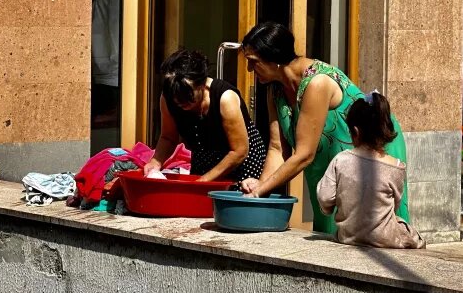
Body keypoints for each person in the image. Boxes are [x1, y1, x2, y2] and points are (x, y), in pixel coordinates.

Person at [239, 21, 411, 233]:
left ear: (274, 59)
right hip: (329, 158)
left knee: (369, 232)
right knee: (331, 227)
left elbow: (304, 155)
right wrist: (259, 191)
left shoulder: (317, 83)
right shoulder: (274, 90)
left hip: (372, 149)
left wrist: (259, 190)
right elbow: (277, 148)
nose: (249, 69)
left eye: (253, 62)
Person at [316, 92, 425, 248]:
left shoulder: (340, 160)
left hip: (347, 237)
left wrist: (330, 209)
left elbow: (325, 197)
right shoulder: (396, 166)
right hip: (387, 239)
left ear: (356, 132)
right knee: (415, 238)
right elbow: (394, 205)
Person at [144, 49, 266, 184]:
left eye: (187, 96)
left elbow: (239, 151)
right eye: (176, 98)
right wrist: (155, 162)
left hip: (241, 162)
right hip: (204, 160)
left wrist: (203, 181)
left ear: (202, 84)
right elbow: (168, 137)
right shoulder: (169, 99)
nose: (180, 102)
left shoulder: (225, 98)